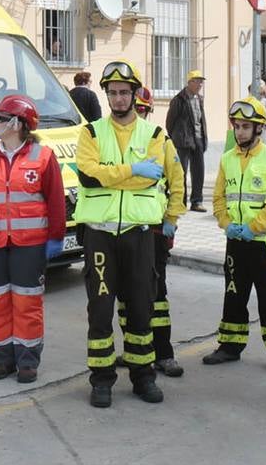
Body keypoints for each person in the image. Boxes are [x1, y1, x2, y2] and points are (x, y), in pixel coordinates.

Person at [75, 60, 181, 408]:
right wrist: (131, 170)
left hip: (139, 234)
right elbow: (87, 176)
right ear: (106, 95)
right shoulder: (90, 132)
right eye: (112, 93)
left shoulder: (154, 135)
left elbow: (152, 178)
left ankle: (143, 376)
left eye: (124, 92)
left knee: (140, 307)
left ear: (135, 94)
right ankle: (102, 381)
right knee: (100, 309)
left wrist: (111, 172)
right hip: (100, 235)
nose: (118, 98)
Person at [0, 95, 66, 383]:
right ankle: (3, 359)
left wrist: (56, 237)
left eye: (1, 118)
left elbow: (56, 200)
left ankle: (27, 361)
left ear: (18, 124)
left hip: (29, 244)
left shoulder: (43, 157)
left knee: (27, 302)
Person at [203, 96, 266, 373]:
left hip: (264, 244)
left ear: (258, 129)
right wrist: (226, 223)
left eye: (245, 126)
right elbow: (218, 197)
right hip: (236, 243)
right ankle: (230, 346)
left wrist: (254, 228)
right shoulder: (227, 159)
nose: (240, 131)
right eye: (237, 126)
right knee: (234, 294)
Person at [126, 86, 186, 377]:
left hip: (153, 231)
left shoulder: (161, 140)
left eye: (142, 109)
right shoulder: (116, 140)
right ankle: (135, 351)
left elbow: (177, 182)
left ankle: (164, 354)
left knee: (156, 295)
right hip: (124, 230)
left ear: (148, 111)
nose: (138, 114)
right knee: (127, 296)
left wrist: (171, 218)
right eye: (135, 109)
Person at [166, 70, 209, 212]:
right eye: (197, 81)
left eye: (201, 81)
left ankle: (197, 201)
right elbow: (170, 122)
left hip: (198, 138)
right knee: (181, 172)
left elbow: (201, 121)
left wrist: (204, 137)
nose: (200, 84)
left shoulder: (200, 99)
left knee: (199, 171)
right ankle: (181, 202)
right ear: (190, 82)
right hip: (182, 140)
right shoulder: (179, 100)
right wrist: (174, 137)